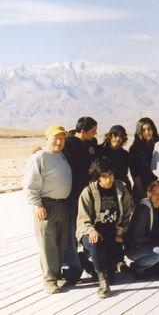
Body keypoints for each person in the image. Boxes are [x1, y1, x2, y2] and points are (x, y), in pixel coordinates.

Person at [24, 125, 73, 293]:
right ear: (47, 139)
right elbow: (30, 185)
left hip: (62, 205)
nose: (59, 142)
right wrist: (37, 205)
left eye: (62, 139)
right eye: (55, 138)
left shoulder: (61, 156)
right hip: (46, 206)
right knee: (47, 244)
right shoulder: (39, 157)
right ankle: (49, 280)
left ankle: (57, 275)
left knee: (61, 242)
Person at [76, 157, 133, 298]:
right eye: (104, 176)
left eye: (110, 175)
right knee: (95, 242)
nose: (108, 179)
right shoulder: (88, 192)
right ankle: (103, 283)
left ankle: (88, 263)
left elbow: (127, 214)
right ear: (98, 177)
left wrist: (120, 231)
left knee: (112, 275)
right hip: (93, 233)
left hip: (113, 233)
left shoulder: (121, 189)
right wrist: (91, 230)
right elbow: (83, 219)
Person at [61, 116, 98, 281]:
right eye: (92, 131)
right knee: (73, 230)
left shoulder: (92, 143)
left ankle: (90, 260)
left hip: (90, 193)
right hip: (74, 194)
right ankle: (72, 267)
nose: (95, 134)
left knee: (91, 226)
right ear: (83, 131)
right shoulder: (68, 144)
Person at [124, 181, 159, 279]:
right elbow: (137, 237)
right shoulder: (144, 210)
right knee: (158, 253)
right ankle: (136, 268)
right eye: (154, 193)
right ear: (148, 194)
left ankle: (152, 267)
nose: (158, 196)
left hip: (151, 244)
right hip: (135, 247)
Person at [129, 118, 159, 203]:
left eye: (149, 129)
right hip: (142, 190)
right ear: (139, 132)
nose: (147, 132)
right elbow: (135, 174)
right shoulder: (135, 149)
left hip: (158, 189)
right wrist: (143, 194)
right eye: (143, 130)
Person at [98, 125, 131, 190]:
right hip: (102, 186)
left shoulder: (125, 154)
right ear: (110, 136)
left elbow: (124, 175)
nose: (118, 138)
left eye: (121, 136)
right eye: (115, 135)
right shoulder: (99, 150)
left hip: (119, 188)